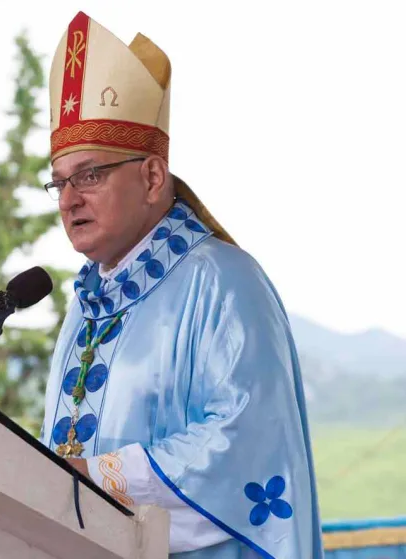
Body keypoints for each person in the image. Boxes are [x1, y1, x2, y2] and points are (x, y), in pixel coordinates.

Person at [37, 11, 323, 558]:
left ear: (151, 177)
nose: (69, 199)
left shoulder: (225, 283)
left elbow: (245, 447)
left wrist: (95, 476)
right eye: (59, 182)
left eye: (90, 175)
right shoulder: (85, 307)